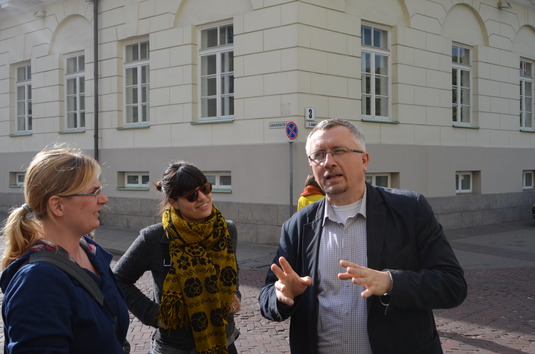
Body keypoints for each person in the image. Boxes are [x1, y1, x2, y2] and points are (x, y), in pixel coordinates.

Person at [258, 118, 467, 354]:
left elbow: (452, 284)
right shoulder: (297, 225)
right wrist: (284, 295)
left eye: (339, 151)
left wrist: (391, 282)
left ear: (364, 160)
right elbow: (267, 296)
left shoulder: (409, 209)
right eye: (319, 155)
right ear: (312, 166)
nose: (329, 162)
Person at [0, 144, 130, 353]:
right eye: (93, 192)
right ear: (58, 205)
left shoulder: (91, 252)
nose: (103, 199)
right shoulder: (38, 281)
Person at [113, 161, 241, 354]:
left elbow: (231, 271)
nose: (202, 198)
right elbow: (118, 279)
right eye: (191, 195)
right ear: (173, 202)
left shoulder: (226, 230)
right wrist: (153, 314)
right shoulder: (154, 238)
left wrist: (235, 295)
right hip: (174, 347)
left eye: (205, 188)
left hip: (223, 341)